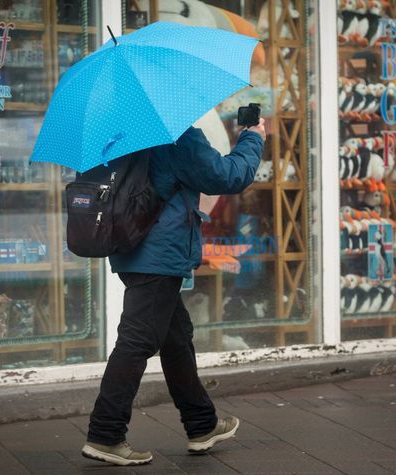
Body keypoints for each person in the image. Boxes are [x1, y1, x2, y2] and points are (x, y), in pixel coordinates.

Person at [81, 118, 266, 466]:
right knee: (137, 341)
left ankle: (202, 424)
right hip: (160, 254)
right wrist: (252, 139)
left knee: (176, 338)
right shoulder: (176, 134)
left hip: (130, 248)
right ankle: (105, 433)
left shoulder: (115, 132)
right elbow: (226, 176)